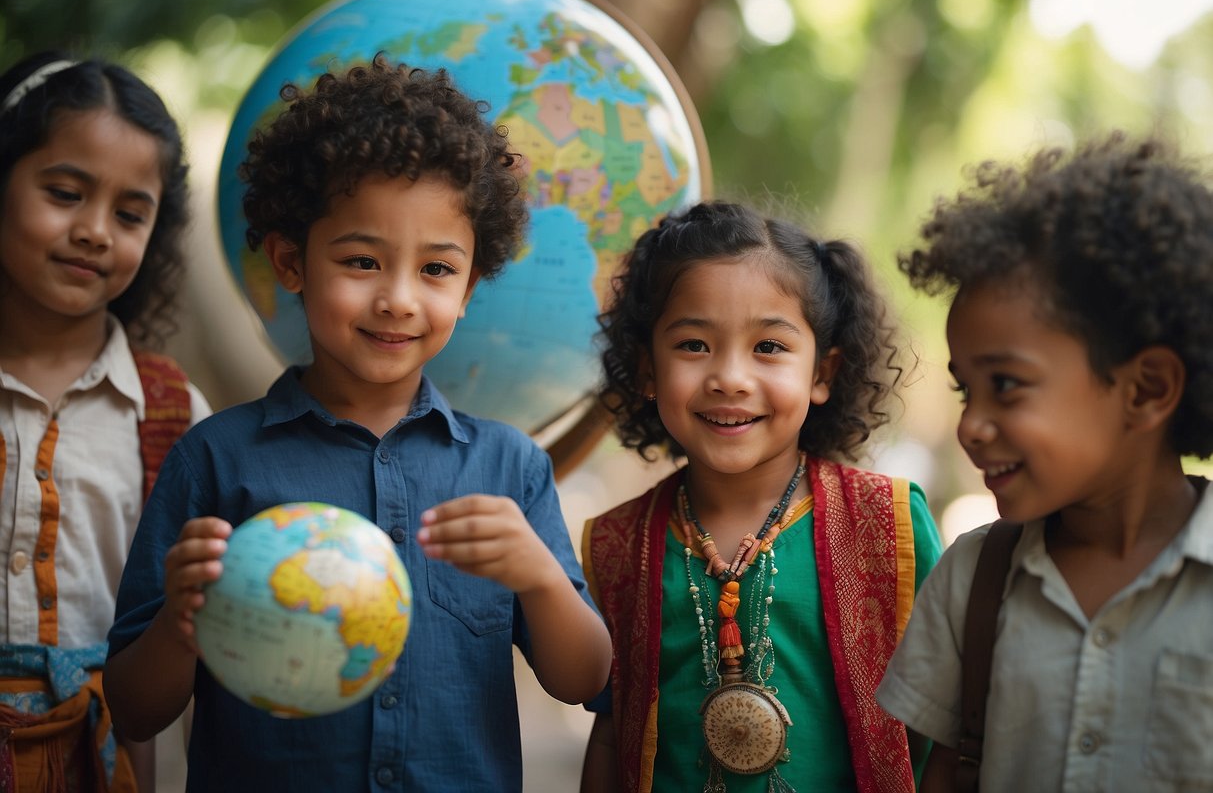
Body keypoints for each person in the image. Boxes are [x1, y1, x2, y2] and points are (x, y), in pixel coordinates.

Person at [103, 53, 611, 792]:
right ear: (289, 261)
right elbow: (133, 708)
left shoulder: (509, 468)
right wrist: (180, 621)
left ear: (470, 285)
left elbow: (585, 681)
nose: (399, 299)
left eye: (436, 270)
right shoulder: (214, 457)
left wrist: (540, 577)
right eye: (362, 261)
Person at [876, 134, 1213, 791]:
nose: (970, 425)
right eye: (963, 389)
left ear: (1144, 389)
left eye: (1004, 384)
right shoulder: (970, 582)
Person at [580, 201, 943, 793]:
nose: (730, 377)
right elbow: (610, 731)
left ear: (822, 374)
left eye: (768, 348)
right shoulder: (616, 544)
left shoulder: (890, 522)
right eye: (694, 345)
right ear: (647, 370)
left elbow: (944, 728)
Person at [0, 51, 208, 791]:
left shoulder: (172, 413)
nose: (94, 230)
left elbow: (194, 630)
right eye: (64, 192)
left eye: (129, 213)